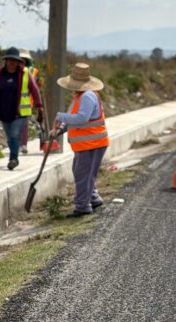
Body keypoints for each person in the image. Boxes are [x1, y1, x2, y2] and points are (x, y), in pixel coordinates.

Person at [53, 63, 108, 218]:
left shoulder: (88, 96)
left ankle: (82, 206)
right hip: (86, 144)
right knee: (81, 173)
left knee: (83, 175)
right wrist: (61, 129)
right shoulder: (80, 96)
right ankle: (93, 198)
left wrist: (61, 116)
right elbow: (75, 120)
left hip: (92, 144)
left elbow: (82, 118)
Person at [0, 47, 43, 170]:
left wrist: (39, 106)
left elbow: (34, 89)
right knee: (9, 137)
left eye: (14, 60)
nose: (12, 63)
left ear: (18, 62)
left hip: (20, 112)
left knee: (14, 134)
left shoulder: (24, 73)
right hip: (3, 111)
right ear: (6, 61)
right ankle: (14, 155)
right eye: (9, 60)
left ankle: (13, 159)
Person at [19, 48, 41, 154]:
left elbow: (37, 86)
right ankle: (17, 144)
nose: (21, 62)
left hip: (26, 103)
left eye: (23, 60)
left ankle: (23, 145)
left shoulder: (33, 71)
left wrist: (38, 103)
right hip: (12, 103)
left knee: (24, 124)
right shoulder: (13, 71)